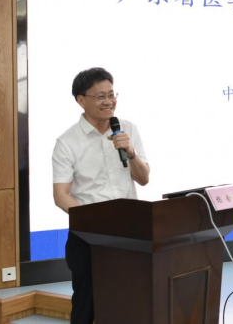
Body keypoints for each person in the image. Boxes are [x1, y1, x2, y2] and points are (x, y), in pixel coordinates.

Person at [52, 68, 150, 324]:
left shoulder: (128, 129)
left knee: (131, 298)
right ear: (81, 100)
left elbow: (143, 178)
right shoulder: (67, 142)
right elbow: (61, 195)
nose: (108, 102)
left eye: (111, 95)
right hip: (88, 236)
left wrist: (131, 152)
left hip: (130, 231)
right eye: (100, 96)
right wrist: (93, 222)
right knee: (87, 304)